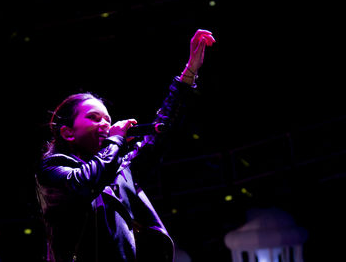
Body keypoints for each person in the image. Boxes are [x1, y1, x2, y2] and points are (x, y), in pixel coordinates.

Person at [35, 29, 215, 262]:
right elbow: (84, 184)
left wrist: (189, 73)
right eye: (94, 118)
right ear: (68, 132)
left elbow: (160, 133)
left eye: (108, 120)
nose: (105, 124)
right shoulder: (52, 169)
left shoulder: (119, 170)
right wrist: (117, 140)